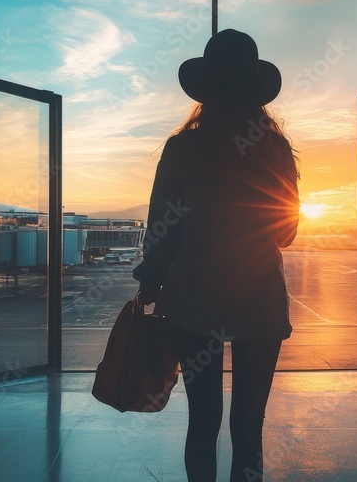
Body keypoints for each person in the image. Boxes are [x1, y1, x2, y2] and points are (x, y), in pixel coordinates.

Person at [133, 29, 299, 482]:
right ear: (256, 93)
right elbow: (286, 232)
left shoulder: (183, 149)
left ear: (204, 92)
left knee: (202, 421)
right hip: (259, 299)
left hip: (194, 299)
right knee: (248, 424)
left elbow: (162, 229)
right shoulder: (274, 149)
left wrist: (151, 280)